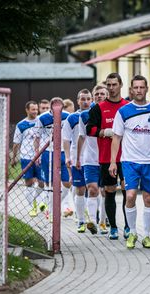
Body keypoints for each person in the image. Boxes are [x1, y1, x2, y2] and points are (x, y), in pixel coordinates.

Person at [109, 75, 150, 249]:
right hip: (129, 161)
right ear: (131, 90)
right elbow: (116, 138)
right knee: (130, 196)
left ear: (147, 89)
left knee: (148, 198)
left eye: (141, 87)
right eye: (135, 87)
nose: (138, 90)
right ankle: (132, 232)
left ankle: (146, 235)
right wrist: (112, 162)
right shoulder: (123, 111)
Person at [86, 73, 129, 240]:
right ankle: (113, 228)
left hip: (126, 157)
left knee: (128, 192)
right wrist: (104, 132)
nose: (111, 88)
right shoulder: (98, 107)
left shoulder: (127, 106)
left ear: (120, 85)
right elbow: (89, 129)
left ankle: (128, 227)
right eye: (109, 85)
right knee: (110, 191)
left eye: (114, 85)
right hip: (106, 157)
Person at [63, 89, 96, 234]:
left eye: (88, 99)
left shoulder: (96, 114)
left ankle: (97, 220)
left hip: (94, 158)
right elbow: (66, 139)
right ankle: (81, 220)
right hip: (78, 159)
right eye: (83, 99)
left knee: (96, 189)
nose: (86, 101)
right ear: (78, 101)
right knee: (80, 189)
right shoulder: (72, 118)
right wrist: (67, 157)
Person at [33, 97, 72, 220]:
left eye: (59, 105)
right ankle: (50, 211)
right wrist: (37, 153)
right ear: (51, 106)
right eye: (54, 105)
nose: (57, 107)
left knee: (67, 182)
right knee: (49, 183)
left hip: (64, 152)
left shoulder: (67, 116)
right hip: (47, 152)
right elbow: (37, 137)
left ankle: (57, 205)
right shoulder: (42, 118)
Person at [77, 84, 109, 234]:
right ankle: (91, 220)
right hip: (90, 159)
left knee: (105, 191)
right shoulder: (84, 115)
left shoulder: (112, 113)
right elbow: (81, 137)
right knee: (93, 189)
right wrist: (78, 158)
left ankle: (103, 221)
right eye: (97, 94)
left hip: (106, 158)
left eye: (102, 94)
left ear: (107, 95)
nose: (99, 96)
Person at [11, 101, 44, 217]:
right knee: (29, 182)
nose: (35, 112)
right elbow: (16, 143)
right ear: (27, 110)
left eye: (36, 109)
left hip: (40, 156)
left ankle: (40, 201)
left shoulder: (42, 121)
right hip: (26, 157)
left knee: (42, 182)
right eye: (33, 109)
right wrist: (13, 158)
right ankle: (33, 207)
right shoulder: (21, 125)